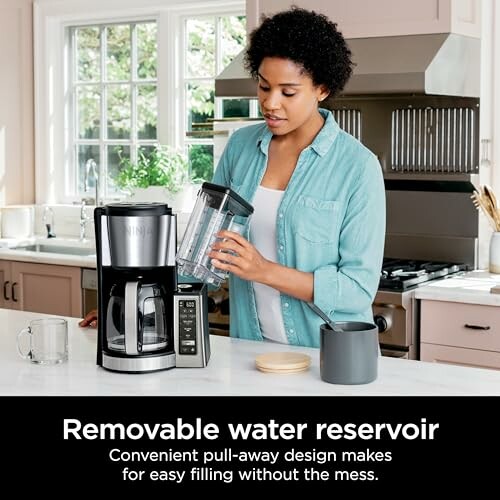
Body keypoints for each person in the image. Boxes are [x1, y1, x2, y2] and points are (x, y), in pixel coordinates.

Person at [208, 7, 385, 348]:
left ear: (322, 88)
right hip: (251, 353)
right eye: (263, 86)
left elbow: (356, 290)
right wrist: (135, 307)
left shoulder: (357, 167)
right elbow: (208, 247)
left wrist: (263, 270)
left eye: (288, 92)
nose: (270, 103)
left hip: (330, 358)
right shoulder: (241, 148)